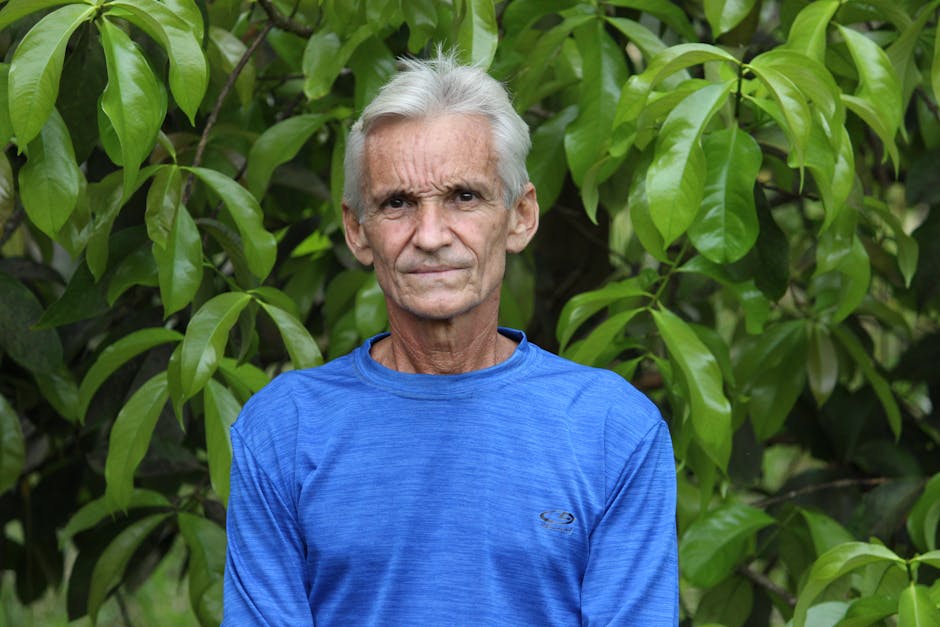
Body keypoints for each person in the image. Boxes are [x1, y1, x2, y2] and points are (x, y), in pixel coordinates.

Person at [222, 52, 678, 625]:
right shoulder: (283, 429)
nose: (431, 235)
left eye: (463, 197)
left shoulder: (612, 429)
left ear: (520, 216)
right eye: (397, 203)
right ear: (357, 230)